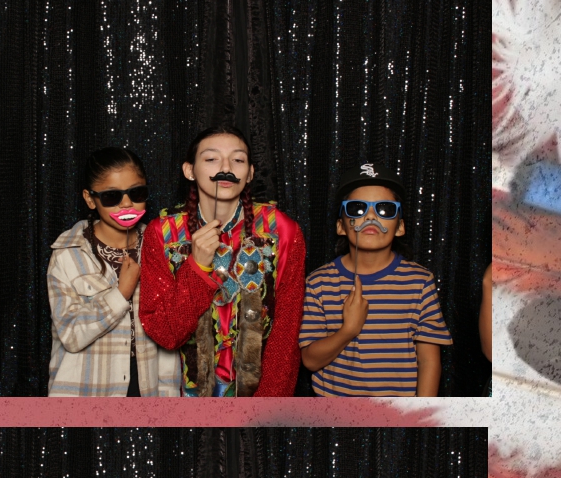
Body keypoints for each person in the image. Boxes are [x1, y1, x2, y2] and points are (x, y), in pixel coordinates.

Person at [138, 126, 304, 397]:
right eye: (212, 158)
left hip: (259, 394)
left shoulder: (282, 231)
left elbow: (286, 331)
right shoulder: (163, 233)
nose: (226, 168)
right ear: (189, 170)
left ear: (249, 173)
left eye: (237, 159)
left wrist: (267, 405)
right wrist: (197, 267)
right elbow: (167, 333)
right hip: (182, 396)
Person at [300, 165, 451, 397]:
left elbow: (428, 361)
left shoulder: (420, 282)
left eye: (385, 209)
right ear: (341, 226)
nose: (371, 216)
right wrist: (349, 330)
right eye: (357, 208)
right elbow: (310, 361)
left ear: (400, 227)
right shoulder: (319, 283)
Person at [47, 148, 174, 397]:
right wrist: (121, 294)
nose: (126, 203)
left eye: (136, 193)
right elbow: (71, 335)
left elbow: (170, 332)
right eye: (111, 196)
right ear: (90, 199)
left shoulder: (162, 247)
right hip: (86, 393)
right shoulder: (68, 254)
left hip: (148, 390)